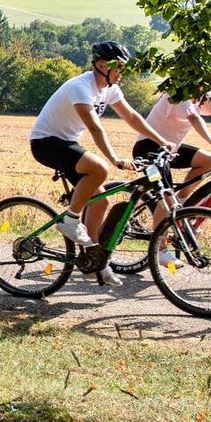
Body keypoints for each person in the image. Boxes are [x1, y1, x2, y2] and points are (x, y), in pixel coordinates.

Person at [28, 41, 173, 286]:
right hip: (46, 142)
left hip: (66, 142)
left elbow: (132, 117)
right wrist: (114, 159)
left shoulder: (110, 89)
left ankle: (95, 262)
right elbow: (95, 127)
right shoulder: (81, 87)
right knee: (100, 168)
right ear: (102, 65)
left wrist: (161, 141)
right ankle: (70, 221)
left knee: (101, 201)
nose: (121, 72)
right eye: (118, 67)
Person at [132, 91, 211, 256]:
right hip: (148, 149)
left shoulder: (203, 97)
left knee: (207, 161)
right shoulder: (179, 94)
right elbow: (194, 118)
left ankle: (182, 200)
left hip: (170, 150)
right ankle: (160, 249)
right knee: (167, 197)